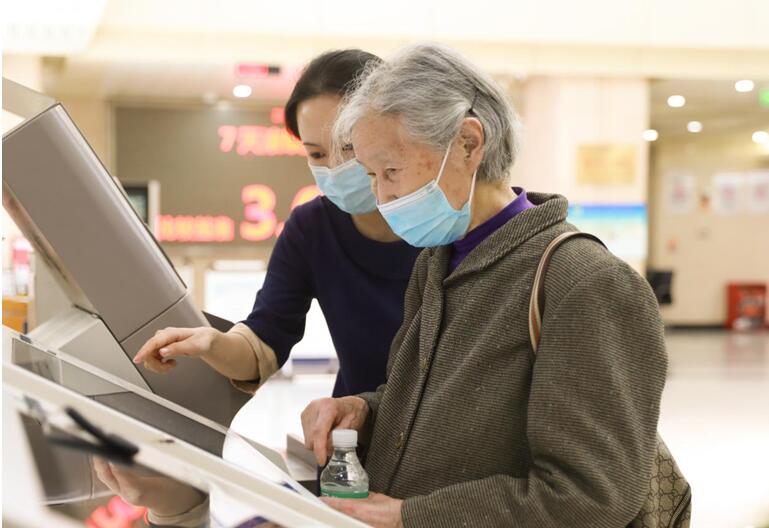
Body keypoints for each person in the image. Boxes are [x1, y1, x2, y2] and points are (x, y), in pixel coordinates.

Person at [301, 43, 676, 528]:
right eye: (372, 176)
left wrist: (412, 516)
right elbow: (442, 407)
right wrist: (365, 411)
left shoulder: (585, 282)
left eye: (391, 171)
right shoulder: (436, 264)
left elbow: (591, 495)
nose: (382, 196)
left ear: (468, 144)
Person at [134, 50, 421, 398]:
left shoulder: (440, 223)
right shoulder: (312, 228)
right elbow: (263, 341)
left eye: (348, 147)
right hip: (353, 426)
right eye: (317, 154)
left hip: (449, 424)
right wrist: (212, 343)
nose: (335, 167)